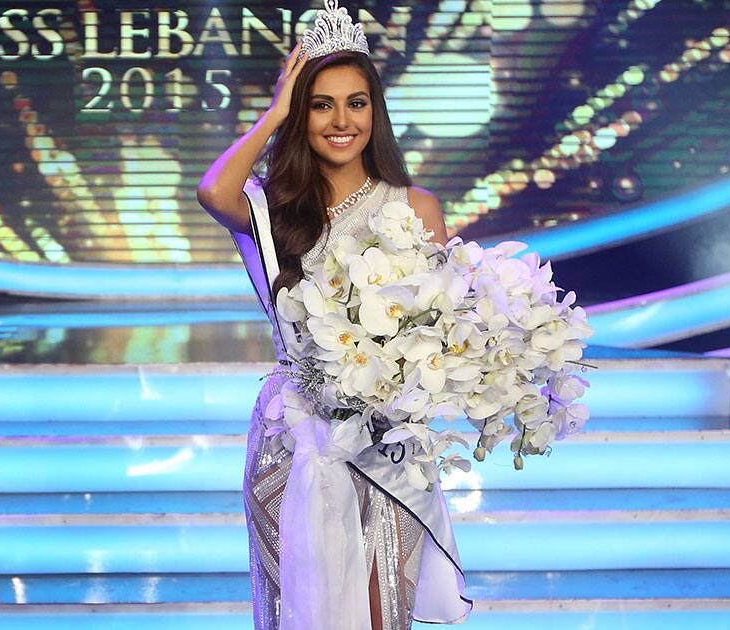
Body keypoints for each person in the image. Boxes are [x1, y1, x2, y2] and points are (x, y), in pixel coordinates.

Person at [196, 5, 473, 629]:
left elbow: (435, 321)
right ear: (302, 114)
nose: (341, 120)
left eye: (356, 103)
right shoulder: (273, 207)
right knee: (302, 606)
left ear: (375, 112)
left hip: (386, 440)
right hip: (295, 437)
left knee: (382, 611)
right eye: (320, 104)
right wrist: (274, 112)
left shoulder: (416, 206)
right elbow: (214, 191)